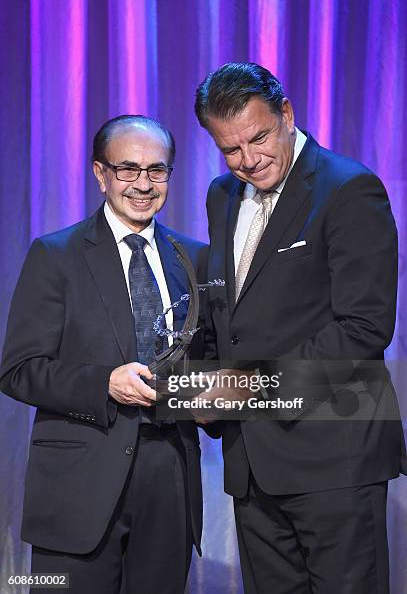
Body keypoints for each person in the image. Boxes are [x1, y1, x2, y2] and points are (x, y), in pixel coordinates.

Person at [194, 62, 406, 594]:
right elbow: (230, 315)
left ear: (287, 114)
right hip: (251, 467)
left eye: (258, 138)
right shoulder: (221, 196)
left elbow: (363, 328)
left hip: (333, 457)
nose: (248, 160)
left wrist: (248, 385)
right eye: (230, 150)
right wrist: (196, 385)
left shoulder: (349, 188)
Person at [0, 115, 208, 594]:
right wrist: (103, 384)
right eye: (128, 169)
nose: (143, 184)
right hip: (79, 483)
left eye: (157, 171)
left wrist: (212, 399)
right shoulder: (56, 255)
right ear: (100, 173)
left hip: (169, 478)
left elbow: (208, 357)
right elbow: (18, 370)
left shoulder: (193, 258)